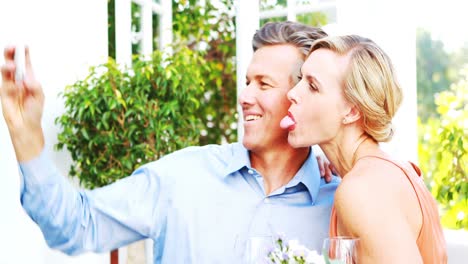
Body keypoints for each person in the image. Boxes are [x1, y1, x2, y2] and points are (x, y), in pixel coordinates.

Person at [0, 22, 340, 263]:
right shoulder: (183, 175)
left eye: (264, 85)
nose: (244, 96)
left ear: (301, 96)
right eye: (247, 81)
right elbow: (75, 226)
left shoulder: (340, 201)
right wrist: (26, 137)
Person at [281, 35, 447, 263]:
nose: (292, 93)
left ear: (351, 111)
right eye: (300, 79)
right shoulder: (380, 174)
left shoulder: (362, 189)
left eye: (312, 86)